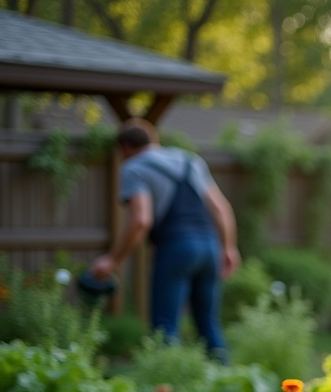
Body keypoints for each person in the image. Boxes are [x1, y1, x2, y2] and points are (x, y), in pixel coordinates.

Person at [88, 119, 240, 360]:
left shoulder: (134, 168)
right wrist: (229, 248)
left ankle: (168, 387)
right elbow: (221, 208)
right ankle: (224, 382)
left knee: (165, 326)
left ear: (124, 148)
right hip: (210, 247)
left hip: (176, 247)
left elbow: (141, 221)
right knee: (208, 323)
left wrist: (113, 259)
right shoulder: (190, 161)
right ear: (154, 141)